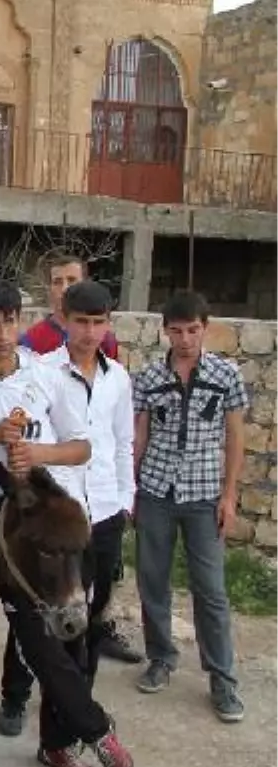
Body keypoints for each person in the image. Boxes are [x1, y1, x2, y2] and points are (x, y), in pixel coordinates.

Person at [0, 277, 132, 767]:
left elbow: (81, 448)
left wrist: (37, 453)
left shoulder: (45, 377)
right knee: (35, 633)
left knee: (73, 635)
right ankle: (98, 731)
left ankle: (57, 744)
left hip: (50, 524)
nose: (1, 332)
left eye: (9, 320)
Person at [18, 252, 138, 665]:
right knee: (42, 606)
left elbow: (123, 441)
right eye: (81, 322)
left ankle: (77, 695)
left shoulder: (118, 379)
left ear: (108, 323)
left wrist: (125, 499)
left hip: (106, 509)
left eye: (98, 322)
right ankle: (15, 695)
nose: (90, 332)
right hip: (62, 512)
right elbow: (36, 444)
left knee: (94, 605)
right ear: (64, 320)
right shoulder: (40, 373)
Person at [133, 290, 246, 723]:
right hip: (156, 491)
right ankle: (161, 657)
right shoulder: (148, 377)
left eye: (193, 330)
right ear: (165, 331)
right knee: (152, 581)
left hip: (203, 495)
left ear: (206, 327)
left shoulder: (226, 374)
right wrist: (132, 489)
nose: (184, 339)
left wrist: (229, 494)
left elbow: (235, 437)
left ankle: (222, 677)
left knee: (211, 591)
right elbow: (140, 435)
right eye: (176, 331)